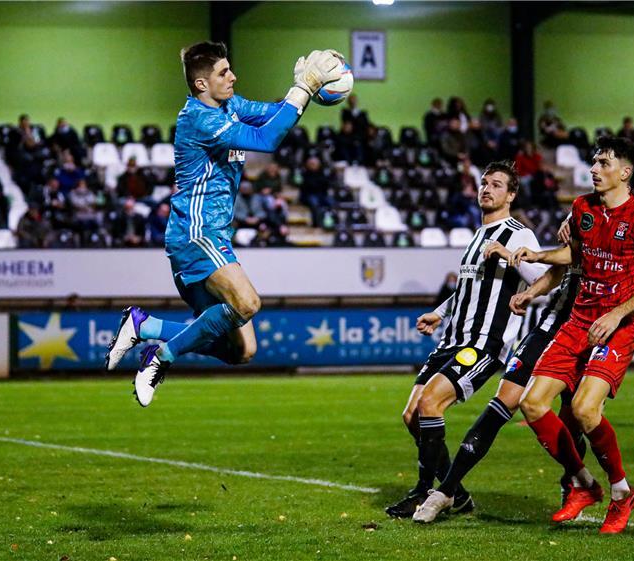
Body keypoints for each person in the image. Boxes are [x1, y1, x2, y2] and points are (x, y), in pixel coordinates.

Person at [104, 41, 343, 407]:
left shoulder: (231, 105)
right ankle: (160, 357)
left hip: (215, 235)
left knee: (241, 350)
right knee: (247, 303)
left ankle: (144, 327)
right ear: (202, 84)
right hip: (194, 233)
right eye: (223, 73)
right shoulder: (199, 119)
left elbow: (271, 114)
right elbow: (267, 138)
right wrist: (304, 90)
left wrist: (302, 91)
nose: (233, 77)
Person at [513, 136, 634, 534]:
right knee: (532, 405)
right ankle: (583, 484)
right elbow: (577, 255)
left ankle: (621, 493)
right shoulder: (582, 208)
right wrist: (539, 255)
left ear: (625, 172)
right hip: (579, 320)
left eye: (603, 163)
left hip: (616, 326)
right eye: (593, 162)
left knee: (583, 410)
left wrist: (617, 314)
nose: (594, 169)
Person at [384, 161, 549, 520]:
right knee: (412, 414)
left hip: (484, 342)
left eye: (496, 185)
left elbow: (545, 279)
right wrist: (440, 313)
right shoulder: (477, 236)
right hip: (452, 338)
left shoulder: (519, 234)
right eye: (484, 183)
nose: (487, 189)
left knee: (430, 404)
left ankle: (426, 492)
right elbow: (467, 289)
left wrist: (508, 256)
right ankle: (454, 493)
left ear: (511, 194)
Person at [417, 264, 584, 522]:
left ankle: (575, 481)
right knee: (503, 401)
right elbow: (561, 264)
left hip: (589, 330)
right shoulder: (576, 224)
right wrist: (532, 288)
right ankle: (447, 490)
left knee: (574, 422)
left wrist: (516, 256)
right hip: (549, 326)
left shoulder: (624, 233)